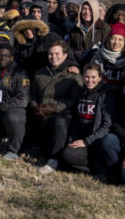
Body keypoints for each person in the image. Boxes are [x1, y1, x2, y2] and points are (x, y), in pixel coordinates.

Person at [31, 41, 84, 175]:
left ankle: (54, 160)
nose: (53, 56)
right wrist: (34, 106)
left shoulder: (74, 75)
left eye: (57, 53)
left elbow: (73, 100)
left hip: (61, 114)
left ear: (65, 56)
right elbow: (32, 94)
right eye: (50, 53)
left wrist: (54, 108)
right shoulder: (39, 73)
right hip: (40, 112)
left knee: (61, 121)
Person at [59, 63, 114, 175]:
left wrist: (86, 141)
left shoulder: (105, 95)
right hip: (81, 139)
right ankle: (92, 166)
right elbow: (76, 121)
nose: (90, 80)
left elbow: (106, 126)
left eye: (93, 77)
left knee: (67, 155)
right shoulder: (81, 93)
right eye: (87, 77)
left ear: (100, 78)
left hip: (95, 141)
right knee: (63, 155)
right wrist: (71, 140)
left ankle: (97, 168)